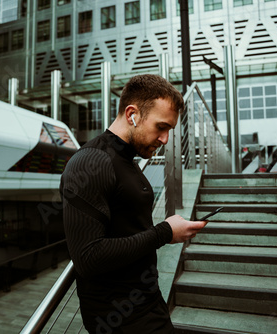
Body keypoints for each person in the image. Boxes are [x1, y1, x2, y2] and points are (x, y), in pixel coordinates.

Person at [60, 74, 207, 334]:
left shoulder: (128, 161)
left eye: (170, 130)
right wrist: (165, 232)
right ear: (132, 114)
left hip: (147, 305)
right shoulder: (90, 163)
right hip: (119, 320)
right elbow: (88, 258)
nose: (165, 139)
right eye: (161, 127)